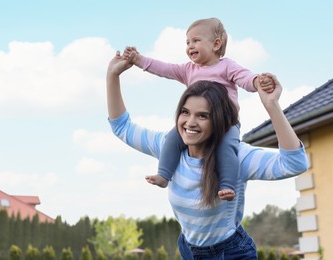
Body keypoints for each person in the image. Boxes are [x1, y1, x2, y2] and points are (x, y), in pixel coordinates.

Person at [107, 51, 308, 259]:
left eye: (202, 116)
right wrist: (112, 76)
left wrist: (272, 106)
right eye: (185, 112)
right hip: (189, 249)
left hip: (230, 253)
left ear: (219, 121)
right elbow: (123, 128)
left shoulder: (236, 157)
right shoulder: (169, 149)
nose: (190, 122)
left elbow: (295, 163)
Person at [123, 17, 274, 201]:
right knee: (172, 138)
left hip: (226, 124)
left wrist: (258, 82)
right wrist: (138, 59)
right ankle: (164, 175)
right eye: (187, 42)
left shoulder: (227, 66)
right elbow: (164, 69)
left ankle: (226, 185)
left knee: (227, 147)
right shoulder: (188, 70)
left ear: (216, 44)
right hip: (196, 125)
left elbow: (244, 78)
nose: (190, 46)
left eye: (196, 41)